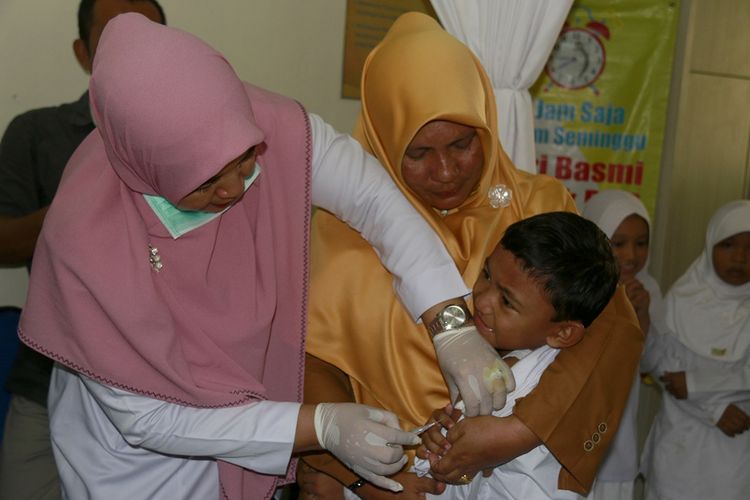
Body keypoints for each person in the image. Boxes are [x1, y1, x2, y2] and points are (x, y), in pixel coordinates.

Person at [15, 13, 508, 500]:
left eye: (247, 158)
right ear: (146, 168)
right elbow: (150, 419)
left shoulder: (265, 122)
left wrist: (450, 322)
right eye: (205, 180)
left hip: (256, 418)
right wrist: (320, 424)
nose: (236, 187)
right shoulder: (86, 244)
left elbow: (373, 200)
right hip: (142, 471)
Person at [299, 12, 642, 500]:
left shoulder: (540, 204)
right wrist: (362, 476)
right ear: (381, 138)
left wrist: (520, 430)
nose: (445, 171)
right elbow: (309, 364)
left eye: (463, 143)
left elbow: (612, 329)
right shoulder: (339, 233)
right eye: (417, 153)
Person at [0, 2, 165, 499]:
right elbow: (4, 242)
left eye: (150, 37)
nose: (135, 50)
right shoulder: (37, 133)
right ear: (82, 51)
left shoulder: (190, 140)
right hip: (48, 377)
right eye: (116, 35)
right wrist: (85, 192)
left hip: (164, 387)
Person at [413, 211, 619, 499]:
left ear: (563, 333)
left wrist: (432, 452)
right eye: (486, 274)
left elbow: (441, 479)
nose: (482, 300)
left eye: (507, 301)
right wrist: (439, 433)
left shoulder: (510, 387)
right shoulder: (554, 364)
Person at [640, 199, 750, 500]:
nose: (740, 257)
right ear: (710, 244)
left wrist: (694, 384)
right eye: (728, 245)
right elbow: (664, 367)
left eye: (749, 248)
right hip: (679, 441)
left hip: (736, 448)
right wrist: (714, 409)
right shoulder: (683, 297)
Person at [582, 189, 664, 500]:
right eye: (618, 243)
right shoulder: (575, 288)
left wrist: (641, 314)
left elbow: (649, 365)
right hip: (573, 427)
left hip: (618, 432)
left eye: (641, 243)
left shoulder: (648, 289)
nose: (631, 255)